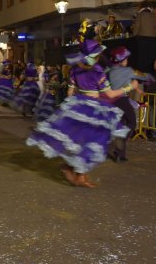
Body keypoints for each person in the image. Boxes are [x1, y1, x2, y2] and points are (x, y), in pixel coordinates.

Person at [26, 40, 136, 188]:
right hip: (93, 109)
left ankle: (80, 175)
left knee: (80, 141)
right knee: (90, 142)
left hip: (79, 106)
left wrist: (71, 108)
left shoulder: (75, 70)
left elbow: (70, 92)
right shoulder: (97, 72)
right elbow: (110, 94)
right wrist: (130, 87)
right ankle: (75, 172)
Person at [106, 47, 149, 162]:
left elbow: (127, 83)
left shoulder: (113, 70)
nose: (127, 60)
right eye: (125, 59)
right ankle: (119, 141)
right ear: (121, 59)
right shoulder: (123, 71)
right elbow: (141, 78)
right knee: (131, 122)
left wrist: (139, 91)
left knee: (123, 124)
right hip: (121, 100)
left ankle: (120, 154)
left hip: (115, 100)